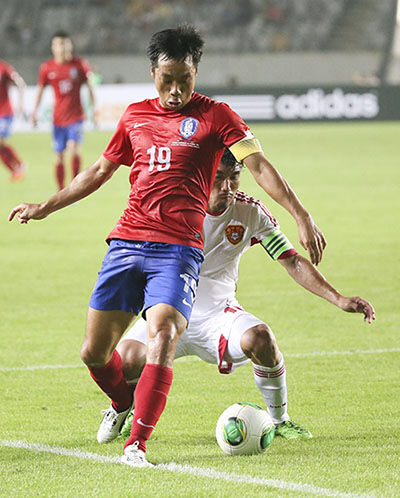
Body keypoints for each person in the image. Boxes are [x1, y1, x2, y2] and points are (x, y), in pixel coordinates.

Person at [9, 26, 327, 468]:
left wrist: (301, 214)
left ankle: (136, 444)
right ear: (153, 72)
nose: (176, 90)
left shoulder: (219, 116)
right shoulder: (134, 116)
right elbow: (98, 172)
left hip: (177, 249)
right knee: (93, 353)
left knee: (162, 335)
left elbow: (258, 166)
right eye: (167, 79)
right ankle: (122, 403)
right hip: (125, 243)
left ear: (196, 72)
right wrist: (46, 205)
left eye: (185, 79)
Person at [111, 149, 375, 443]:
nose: (227, 187)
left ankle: (280, 420)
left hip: (217, 317)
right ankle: (127, 411)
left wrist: (338, 298)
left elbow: (291, 260)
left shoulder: (250, 212)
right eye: (218, 178)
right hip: (169, 313)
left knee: (261, 338)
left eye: (234, 178)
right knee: (124, 360)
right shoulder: (174, 208)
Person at [31, 31, 96, 190]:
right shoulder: (47, 68)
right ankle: (61, 189)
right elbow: (40, 90)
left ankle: (74, 187)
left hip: (76, 116)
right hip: (58, 119)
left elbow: (90, 87)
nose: (62, 47)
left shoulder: (79, 65)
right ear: (53, 47)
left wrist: (95, 109)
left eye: (65, 43)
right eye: (59, 44)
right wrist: (35, 112)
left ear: (70, 45)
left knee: (73, 149)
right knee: (58, 156)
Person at [0, 60, 27, 181]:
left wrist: (21, 103)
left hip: (5, 112)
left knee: (1, 142)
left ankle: (19, 165)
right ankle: (16, 169)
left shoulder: (4, 67)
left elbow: (20, 83)